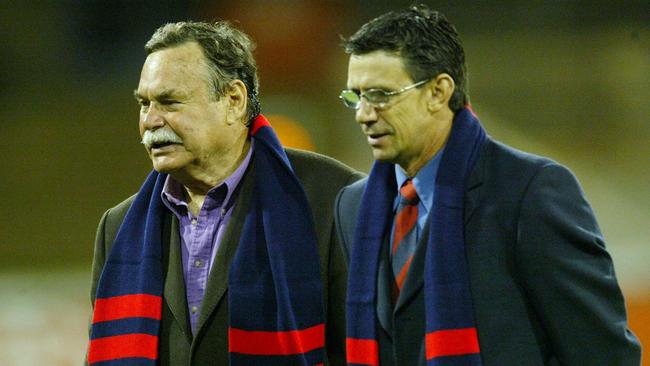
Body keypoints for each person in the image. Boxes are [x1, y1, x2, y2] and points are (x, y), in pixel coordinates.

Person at [334, 5, 641, 365]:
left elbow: (601, 353)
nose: (363, 114)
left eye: (381, 95)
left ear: (438, 91)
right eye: (355, 96)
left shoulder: (530, 191)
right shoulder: (351, 207)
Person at [87, 21, 363, 366]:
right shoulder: (117, 228)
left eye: (169, 102)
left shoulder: (335, 199)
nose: (150, 121)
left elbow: (365, 349)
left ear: (233, 100)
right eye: (144, 104)